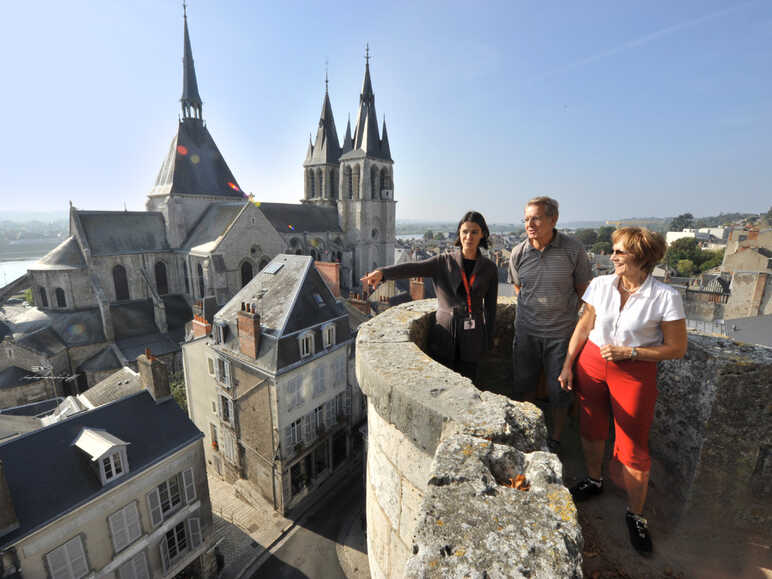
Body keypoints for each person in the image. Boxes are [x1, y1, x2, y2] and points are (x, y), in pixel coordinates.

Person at [557, 227, 687, 555]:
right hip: (592, 362)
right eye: (613, 250)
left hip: (633, 372)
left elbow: (676, 348)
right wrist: (568, 363)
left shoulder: (665, 296)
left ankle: (636, 514)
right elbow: (584, 326)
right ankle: (594, 479)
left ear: (642, 258)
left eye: (619, 252)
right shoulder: (601, 285)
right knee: (591, 426)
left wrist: (630, 353)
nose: (612, 256)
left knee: (633, 445)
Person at [360, 211, 498, 383]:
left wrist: (488, 340)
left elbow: (490, 309)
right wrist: (383, 273)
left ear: (482, 234)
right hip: (444, 333)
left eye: (474, 232)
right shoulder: (443, 262)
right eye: (465, 231)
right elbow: (412, 268)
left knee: (470, 384)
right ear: (459, 234)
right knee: (443, 384)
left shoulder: (490, 268)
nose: (468, 236)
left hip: (472, 337)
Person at [508, 196, 592, 452]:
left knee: (560, 393)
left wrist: (563, 315)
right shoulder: (518, 252)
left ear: (553, 219)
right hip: (527, 333)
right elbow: (519, 289)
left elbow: (583, 291)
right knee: (524, 386)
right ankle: (529, 435)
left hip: (561, 334)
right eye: (526, 219)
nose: (529, 224)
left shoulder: (572, 250)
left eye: (536, 218)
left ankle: (555, 439)